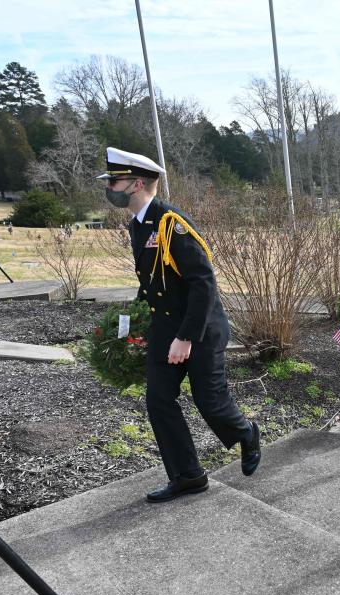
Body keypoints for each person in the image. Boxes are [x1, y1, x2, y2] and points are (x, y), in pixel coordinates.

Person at [96, 147, 261, 503]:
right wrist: (133, 323)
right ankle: (187, 476)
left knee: (209, 401)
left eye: (114, 180)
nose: (109, 186)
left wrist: (186, 337)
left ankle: (246, 433)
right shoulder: (139, 226)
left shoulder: (172, 224)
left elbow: (203, 283)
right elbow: (153, 282)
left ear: (136, 183)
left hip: (200, 329)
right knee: (158, 399)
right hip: (165, 327)